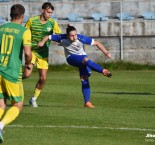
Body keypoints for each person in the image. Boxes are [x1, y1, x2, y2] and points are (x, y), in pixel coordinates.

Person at [38, 25, 112, 108]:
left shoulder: (81, 38)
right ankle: (103, 71)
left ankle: (87, 102)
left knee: (84, 78)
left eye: (75, 35)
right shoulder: (61, 37)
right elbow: (48, 36)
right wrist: (42, 42)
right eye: (72, 35)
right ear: (67, 35)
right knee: (86, 60)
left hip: (83, 59)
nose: (74, 37)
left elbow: (97, 43)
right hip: (71, 58)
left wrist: (106, 52)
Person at [0, 4, 32, 143]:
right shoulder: (24, 31)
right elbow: (27, 53)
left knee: (1, 105)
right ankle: (0, 125)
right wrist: (29, 65)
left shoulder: (1, 28)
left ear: (11, 14)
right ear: (23, 16)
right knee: (18, 104)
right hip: (11, 71)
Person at [23, 2, 61, 107]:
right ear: (43, 10)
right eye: (48, 12)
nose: (50, 14)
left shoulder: (53, 23)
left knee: (43, 78)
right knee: (27, 75)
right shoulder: (32, 20)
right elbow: (25, 33)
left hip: (43, 53)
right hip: (31, 51)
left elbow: (58, 36)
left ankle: (33, 99)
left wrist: (63, 42)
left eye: (51, 13)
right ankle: (11, 82)